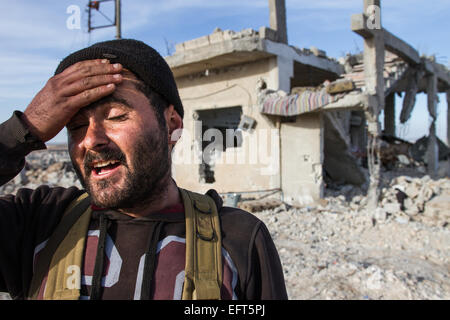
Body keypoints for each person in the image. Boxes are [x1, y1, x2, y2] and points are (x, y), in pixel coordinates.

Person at [0, 39, 287, 300]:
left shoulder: (238, 239)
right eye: (75, 126)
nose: (90, 140)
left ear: (171, 125)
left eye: (116, 116)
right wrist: (24, 127)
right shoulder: (38, 222)